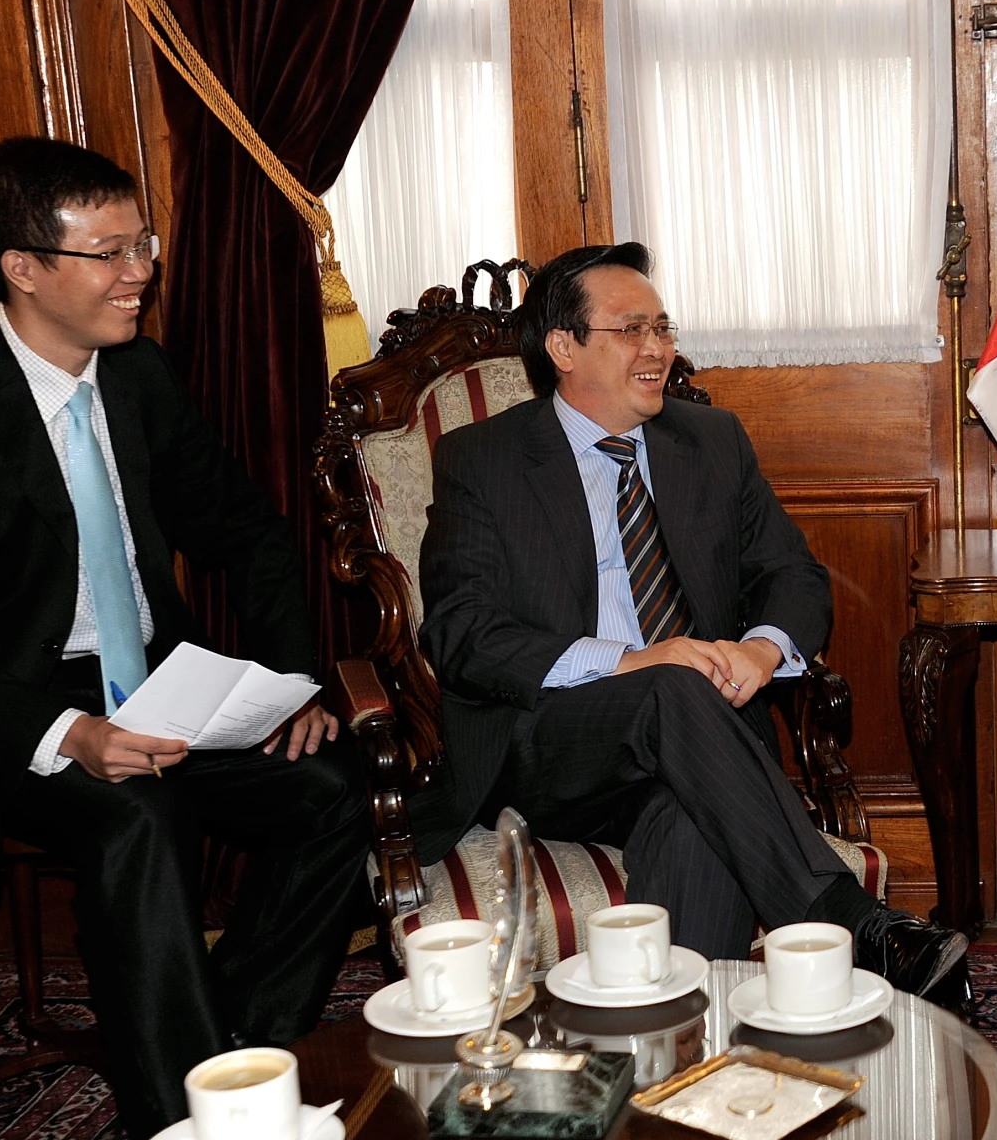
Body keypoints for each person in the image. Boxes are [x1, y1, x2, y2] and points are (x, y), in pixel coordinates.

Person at [0, 137, 370, 1140]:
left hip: (162, 682)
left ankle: (234, 1046)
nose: (140, 273)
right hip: (12, 713)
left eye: (144, 245)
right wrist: (69, 733)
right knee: (137, 814)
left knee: (334, 786)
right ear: (23, 267)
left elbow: (246, 531)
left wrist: (291, 681)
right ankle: (185, 1137)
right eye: (110, 252)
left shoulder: (138, 379)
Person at [415, 243, 968, 1002]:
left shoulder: (709, 442)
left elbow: (792, 574)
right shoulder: (483, 459)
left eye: (663, 327)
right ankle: (848, 921)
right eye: (631, 329)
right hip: (546, 744)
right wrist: (627, 662)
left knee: (695, 822)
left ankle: (679, 1050)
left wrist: (762, 649)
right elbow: (461, 632)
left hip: (700, 748)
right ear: (563, 347)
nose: (658, 349)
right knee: (670, 680)